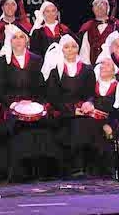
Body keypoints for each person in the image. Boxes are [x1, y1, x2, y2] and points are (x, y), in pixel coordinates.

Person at [0, 24, 59, 181]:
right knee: (16, 126)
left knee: (43, 126)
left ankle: (40, 172)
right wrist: (14, 104)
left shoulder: (37, 60)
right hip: (11, 107)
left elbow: (42, 87)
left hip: (34, 106)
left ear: (27, 41)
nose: (18, 41)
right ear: (9, 42)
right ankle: (17, 173)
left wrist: (37, 106)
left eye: (21, 37)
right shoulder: (2, 62)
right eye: (14, 38)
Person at [44, 35, 98, 177]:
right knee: (72, 125)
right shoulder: (56, 72)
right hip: (62, 112)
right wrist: (72, 110)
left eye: (73, 46)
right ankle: (72, 169)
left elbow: (92, 93)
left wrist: (89, 103)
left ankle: (83, 167)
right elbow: (53, 97)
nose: (71, 50)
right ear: (62, 50)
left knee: (84, 125)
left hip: (83, 111)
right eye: (67, 47)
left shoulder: (87, 69)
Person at [79, 0, 119, 65]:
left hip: (114, 69)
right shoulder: (87, 27)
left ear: (108, 7)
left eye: (102, 3)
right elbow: (84, 52)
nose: (99, 7)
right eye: (96, 4)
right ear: (92, 9)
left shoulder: (118, 25)